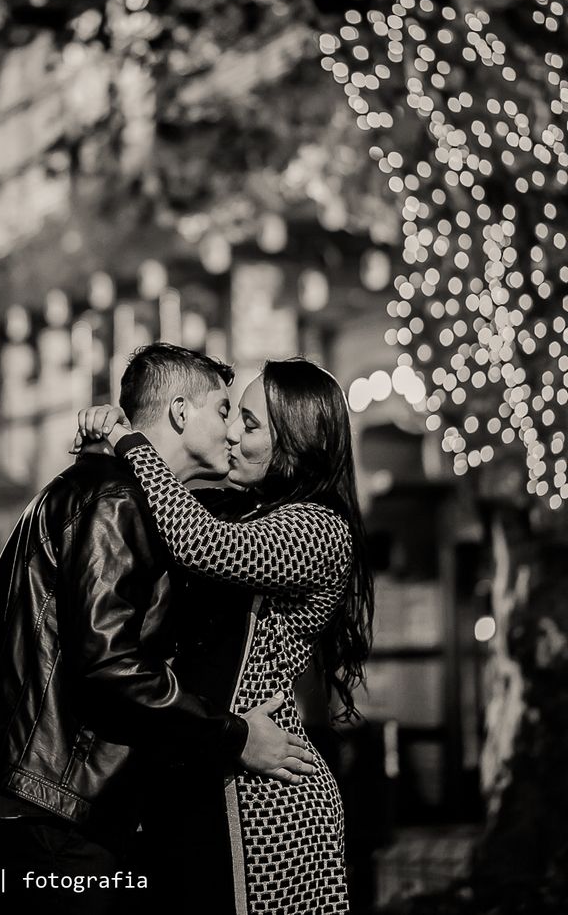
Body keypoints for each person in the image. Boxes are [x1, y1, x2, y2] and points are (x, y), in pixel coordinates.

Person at [0, 345, 315, 915]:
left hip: (44, 798)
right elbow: (110, 664)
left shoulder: (118, 490)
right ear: (181, 413)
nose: (234, 430)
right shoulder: (116, 498)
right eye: (225, 409)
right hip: (52, 806)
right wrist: (234, 736)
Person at [76, 357, 374, 915]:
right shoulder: (254, 509)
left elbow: (203, 543)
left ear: (297, 442)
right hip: (217, 772)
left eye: (251, 424)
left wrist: (126, 438)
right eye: (234, 415)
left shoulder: (317, 529)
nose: (232, 432)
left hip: (269, 802)